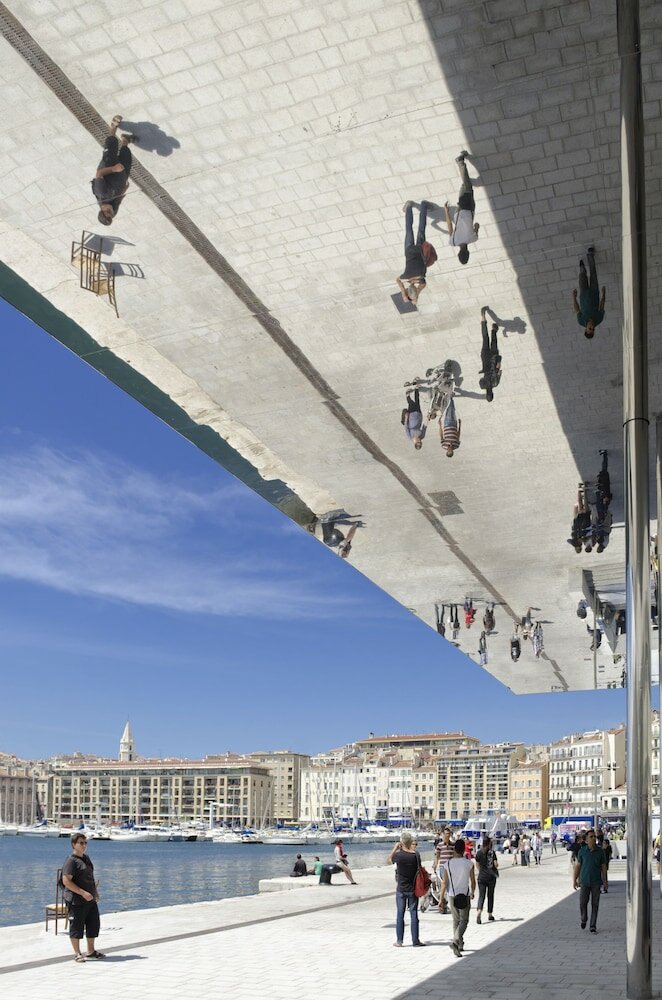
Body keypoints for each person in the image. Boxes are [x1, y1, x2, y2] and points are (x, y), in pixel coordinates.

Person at [61, 832, 104, 963]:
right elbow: (66, 881)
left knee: (93, 924)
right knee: (76, 926)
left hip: (90, 899)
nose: (84, 845)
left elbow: (90, 878)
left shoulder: (86, 858)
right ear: (74, 844)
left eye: (85, 843)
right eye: (81, 843)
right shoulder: (71, 861)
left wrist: (94, 892)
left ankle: (91, 951)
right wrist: (82, 893)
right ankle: (77, 953)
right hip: (76, 900)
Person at [92, 115, 136, 226]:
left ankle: (113, 127)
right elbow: (118, 200)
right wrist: (123, 190)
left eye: (107, 212)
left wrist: (113, 169)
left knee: (112, 144)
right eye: (111, 214)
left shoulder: (100, 192)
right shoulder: (113, 212)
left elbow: (99, 174)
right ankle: (125, 140)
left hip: (109, 165)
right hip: (121, 175)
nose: (111, 211)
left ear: (101, 209)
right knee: (126, 155)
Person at [388, 831, 425, 947]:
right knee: (414, 914)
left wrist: (395, 848)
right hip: (413, 888)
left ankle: (399, 940)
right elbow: (419, 868)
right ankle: (415, 940)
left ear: (401, 842)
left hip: (401, 888)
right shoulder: (415, 855)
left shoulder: (399, 855)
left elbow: (389, 860)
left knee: (400, 914)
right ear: (410, 842)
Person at [440, 837, 476, 957]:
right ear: (463, 850)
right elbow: (472, 880)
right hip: (464, 894)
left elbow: (444, 882)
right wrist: (473, 892)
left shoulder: (447, 864)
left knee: (456, 920)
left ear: (455, 849)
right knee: (464, 920)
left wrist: (441, 898)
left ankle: (459, 944)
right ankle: (456, 941)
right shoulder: (469, 863)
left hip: (452, 894)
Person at [444, 152, 479, 265]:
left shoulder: (473, 239)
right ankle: (463, 170)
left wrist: (474, 228)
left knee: (467, 187)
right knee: (466, 187)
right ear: (459, 253)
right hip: (459, 211)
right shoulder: (453, 242)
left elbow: (477, 225)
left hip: (469, 209)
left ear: (468, 252)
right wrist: (446, 211)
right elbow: (449, 226)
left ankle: (460, 162)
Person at [573, 829, 608, 931]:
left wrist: (605, 881)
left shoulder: (600, 852)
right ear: (586, 839)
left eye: (594, 837)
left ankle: (593, 925)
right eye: (591, 837)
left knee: (595, 904)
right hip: (584, 881)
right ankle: (584, 919)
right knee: (583, 903)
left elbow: (604, 867)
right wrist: (574, 879)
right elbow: (578, 866)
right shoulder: (582, 851)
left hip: (596, 882)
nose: (593, 839)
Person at [396, 201, 429, 305]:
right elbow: (397, 280)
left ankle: (424, 206)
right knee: (409, 230)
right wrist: (403, 292)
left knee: (421, 230)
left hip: (420, 249)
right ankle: (409, 207)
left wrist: (416, 294)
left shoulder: (422, 277)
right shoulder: (405, 276)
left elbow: (422, 286)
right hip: (409, 249)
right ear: (407, 290)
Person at [573, 247, 606, 338]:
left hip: (583, 294)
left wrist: (574, 297)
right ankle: (590, 255)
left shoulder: (580, 321)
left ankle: (582, 267)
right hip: (595, 292)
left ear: (586, 328)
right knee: (593, 273)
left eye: (589, 329)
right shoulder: (599, 319)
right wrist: (604, 294)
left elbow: (577, 310)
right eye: (593, 329)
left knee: (582, 276)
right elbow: (602, 306)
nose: (592, 327)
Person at [479, 307, 502, 402]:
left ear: (492, 393)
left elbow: (499, 370)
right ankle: (483, 318)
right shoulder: (482, 385)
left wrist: (498, 363)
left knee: (494, 342)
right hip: (485, 359)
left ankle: (494, 330)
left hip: (493, 359)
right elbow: (481, 379)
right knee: (485, 338)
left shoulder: (495, 383)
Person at [474, 836, 498, 923]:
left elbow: (477, 864)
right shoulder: (492, 853)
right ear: (489, 843)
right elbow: (496, 864)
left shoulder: (479, 853)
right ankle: (490, 914)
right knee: (490, 896)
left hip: (481, 877)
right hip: (491, 877)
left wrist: (481, 871)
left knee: (481, 896)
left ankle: (479, 912)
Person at [434, 826, 455, 914]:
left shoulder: (453, 845)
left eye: (448, 834)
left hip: (451, 867)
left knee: (450, 886)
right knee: (444, 886)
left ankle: (448, 905)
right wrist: (435, 864)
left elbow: (454, 856)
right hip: (443, 867)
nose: (446, 835)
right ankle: (442, 905)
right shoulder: (440, 845)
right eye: (445, 834)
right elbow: (437, 856)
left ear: (450, 835)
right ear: (443, 835)